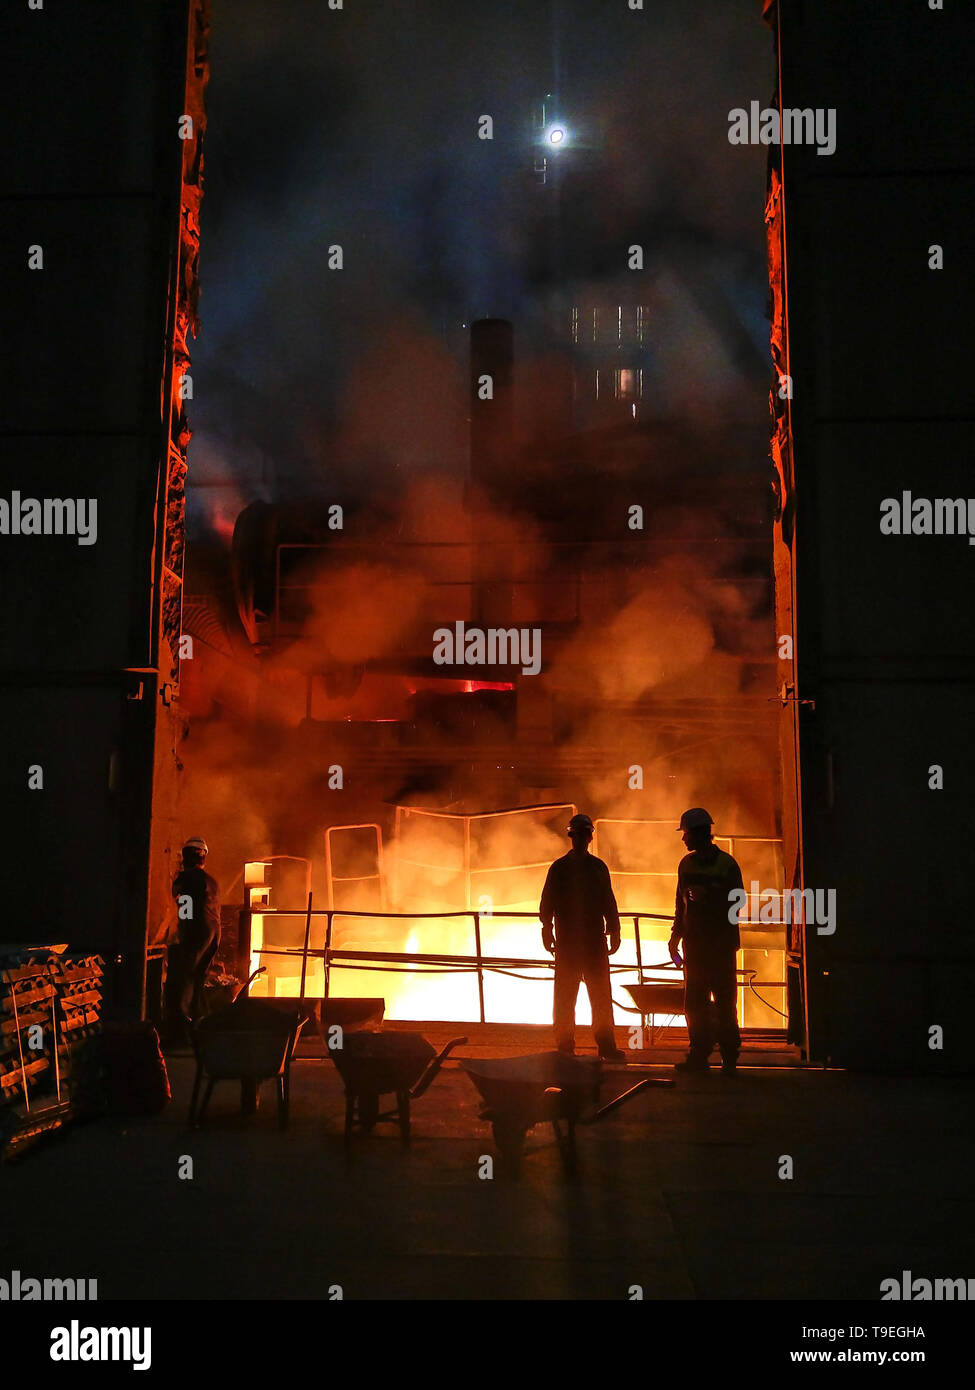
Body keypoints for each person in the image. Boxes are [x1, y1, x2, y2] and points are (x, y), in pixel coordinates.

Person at [539, 813, 626, 1061]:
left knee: (597, 996)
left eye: (581, 835)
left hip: (589, 942)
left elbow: (608, 901)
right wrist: (546, 927)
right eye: (576, 835)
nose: (579, 839)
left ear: (587, 837)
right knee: (569, 998)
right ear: (575, 837)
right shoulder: (564, 868)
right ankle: (566, 1046)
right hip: (573, 943)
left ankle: (604, 1046)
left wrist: (615, 928)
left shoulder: (591, 868)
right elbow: (548, 900)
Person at [668, 808, 744, 1074]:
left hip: (720, 947)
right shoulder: (685, 865)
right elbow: (681, 904)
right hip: (696, 947)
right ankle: (699, 1056)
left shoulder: (727, 865)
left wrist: (709, 896)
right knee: (695, 1005)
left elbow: (738, 903)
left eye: (686, 833)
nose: (684, 839)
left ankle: (729, 1058)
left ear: (700, 834)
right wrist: (675, 935)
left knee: (725, 1003)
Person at [165, 836, 221, 1043]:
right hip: (214, 933)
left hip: (197, 932)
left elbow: (185, 907)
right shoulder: (211, 880)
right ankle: (201, 1025)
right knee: (198, 978)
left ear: (186, 857)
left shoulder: (187, 879)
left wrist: (182, 933)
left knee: (184, 977)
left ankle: (182, 1031)